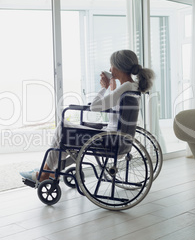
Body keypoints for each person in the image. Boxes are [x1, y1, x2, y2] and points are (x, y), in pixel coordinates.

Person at [20, 49, 154, 182]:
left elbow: (94, 107)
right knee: (70, 139)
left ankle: (44, 174)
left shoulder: (124, 88)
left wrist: (104, 87)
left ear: (119, 67)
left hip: (109, 140)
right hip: (118, 139)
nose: (110, 69)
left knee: (63, 127)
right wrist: (112, 86)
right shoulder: (133, 87)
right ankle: (51, 171)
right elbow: (116, 105)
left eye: (112, 65)